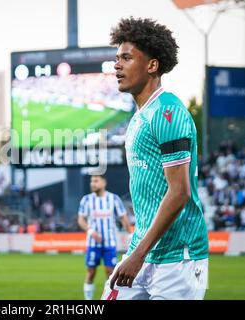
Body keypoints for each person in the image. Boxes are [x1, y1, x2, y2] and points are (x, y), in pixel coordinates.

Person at [101, 17, 209, 300]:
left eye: (126, 57)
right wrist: (138, 251)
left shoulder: (167, 112)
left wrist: (138, 254)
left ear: (152, 65)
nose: (117, 65)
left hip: (179, 258)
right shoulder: (140, 116)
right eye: (117, 58)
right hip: (144, 248)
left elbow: (180, 192)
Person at [77, 174, 131, 300]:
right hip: (92, 244)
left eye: (96, 181)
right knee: (91, 272)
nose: (93, 183)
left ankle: (110, 297)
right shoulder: (86, 199)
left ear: (103, 182)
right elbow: (81, 219)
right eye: (91, 181)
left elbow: (123, 217)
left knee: (111, 273)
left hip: (109, 243)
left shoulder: (114, 199)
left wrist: (130, 234)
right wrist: (90, 231)